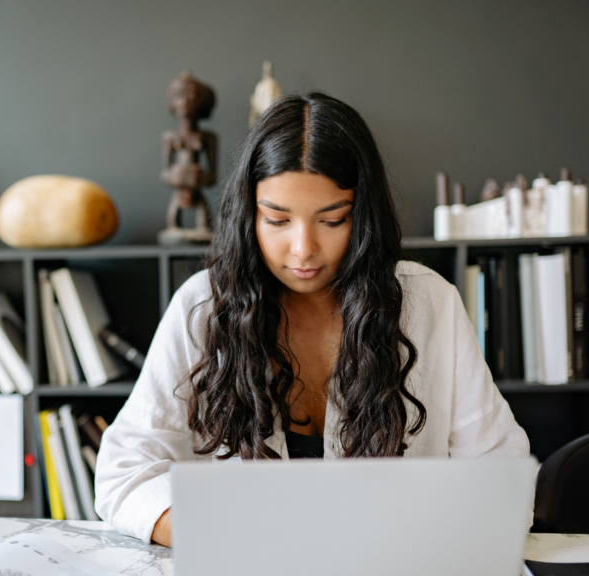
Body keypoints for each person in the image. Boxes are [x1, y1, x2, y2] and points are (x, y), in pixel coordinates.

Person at [93, 92, 530, 547]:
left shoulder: (431, 302)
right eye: (277, 220)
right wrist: (217, 537)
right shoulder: (203, 306)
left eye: (332, 219)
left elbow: (502, 474)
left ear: (362, 217)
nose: (303, 249)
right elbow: (124, 472)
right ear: (249, 216)